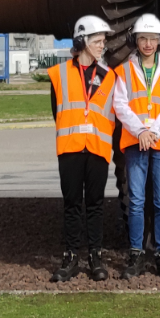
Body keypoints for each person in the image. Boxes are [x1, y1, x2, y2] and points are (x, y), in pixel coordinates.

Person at [109, 13, 160, 279]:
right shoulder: (124, 71)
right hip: (135, 140)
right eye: (143, 38)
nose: (148, 43)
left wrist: (153, 131)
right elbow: (120, 104)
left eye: (153, 38)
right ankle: (136, 254)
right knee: (137, 200)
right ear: (135, 40)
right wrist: (140, 130)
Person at [43, 15, 117, 282]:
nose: (102, 46)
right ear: (81, 41)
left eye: (103, 42)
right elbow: (57, 111)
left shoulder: (109, 77)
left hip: (97, 148)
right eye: (97, 41)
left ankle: (95, 256)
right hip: (71, 148)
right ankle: (71, 255)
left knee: (96, 204)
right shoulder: (59, 74)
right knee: (72, 203)